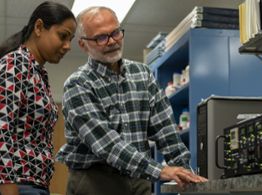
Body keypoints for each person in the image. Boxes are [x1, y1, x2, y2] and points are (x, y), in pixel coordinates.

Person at [56, 6, 207, 195]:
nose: (112, 42)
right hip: (95, 181)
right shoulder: (78, 85)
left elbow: (165, 129)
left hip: (139, 178)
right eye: (101, 37)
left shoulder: (142, 74)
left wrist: (185, 173)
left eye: (116, 33)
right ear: (83, 44)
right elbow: (108, 145)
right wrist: (160, 170)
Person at [0, 1, 76, 195]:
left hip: (33, 185)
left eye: (71, 39)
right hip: (14, 185)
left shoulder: (37, 73)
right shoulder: (14, 64)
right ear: (39, 27)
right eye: (63, 36)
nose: (68, 46)